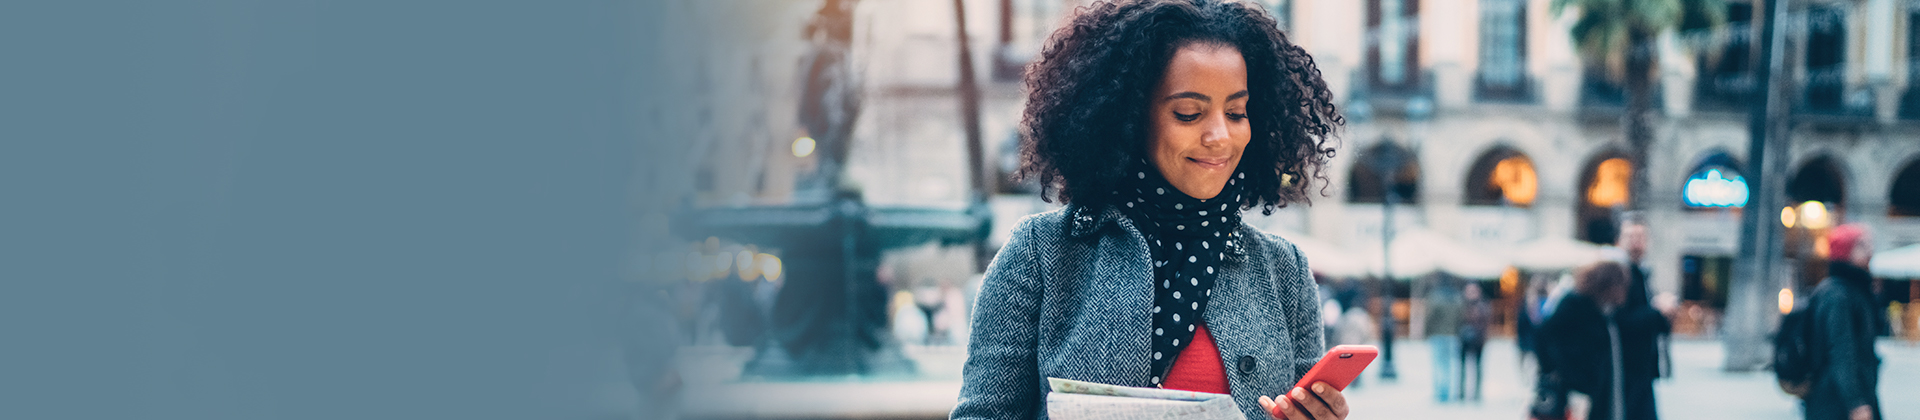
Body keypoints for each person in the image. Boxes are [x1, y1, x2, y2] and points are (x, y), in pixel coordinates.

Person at [950, 1, 1346, 419]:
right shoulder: (1041, 253)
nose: (1220, 137)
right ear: (1130, 116)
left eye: (1236, 113)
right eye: (1189, 113)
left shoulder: (1284, 271)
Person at [1804, 224, 1882, 420]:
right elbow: (1841, 349)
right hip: (1834, 399)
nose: (1871, 251)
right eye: (1863, 246)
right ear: (1846, 251)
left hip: (1849, 395)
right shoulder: (1838, 294)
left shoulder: (1854, 290)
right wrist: (1855, 402)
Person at [1539, 261, 1630, 420]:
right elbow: (1543, 334)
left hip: (1590, 389)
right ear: (1606, 284)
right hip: (1572, 388)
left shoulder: (1603, 310)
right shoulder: (1575, 303)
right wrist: (1554, 370)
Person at [1612, 213, 1671, 420]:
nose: (1637, 242)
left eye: (1641, 236)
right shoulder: (1619, 275)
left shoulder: (1642, 273)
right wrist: (1656, 311)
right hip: (1625, 369)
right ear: (1620, 241)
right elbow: (1620, 320)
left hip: (1643, 370)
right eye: (1631, 236)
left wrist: (1664, 315)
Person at [1423, 277, 1464, 403]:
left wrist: (1426, 332)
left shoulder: (1435, 298)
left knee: (1438, 364)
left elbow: (1429, 317)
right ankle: (1448, 392)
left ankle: (1439, 393)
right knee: (1449, 365)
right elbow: (1461, 317)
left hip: (1438, 335)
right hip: (1452, 335)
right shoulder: (1457, 298)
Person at [1459, 282, 1492, 402]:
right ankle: (1461, 393)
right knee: (1462, 368)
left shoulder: (1483, 305)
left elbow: (1486, 324)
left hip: (1478, 341)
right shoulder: (1461, 305)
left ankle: (1477, 393)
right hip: (1463, 340)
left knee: (1477, 368)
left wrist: (1482, 337)